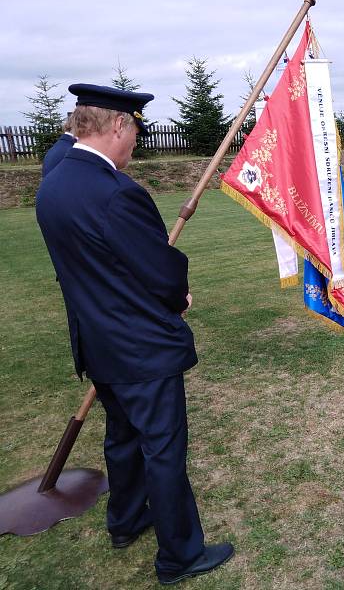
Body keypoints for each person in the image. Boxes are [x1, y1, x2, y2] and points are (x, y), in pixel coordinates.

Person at [35, 84, 234, 585]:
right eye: (138, 129)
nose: (138, 140)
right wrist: (177, 295)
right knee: (162, 448)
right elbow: (161, 274)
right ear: (119, 125)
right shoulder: (116, 191)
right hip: (139, 348)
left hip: (98, 341)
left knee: (122, 438)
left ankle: (125, 520)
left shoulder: (55, 182)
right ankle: (179, 556)